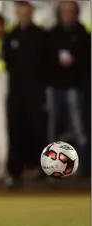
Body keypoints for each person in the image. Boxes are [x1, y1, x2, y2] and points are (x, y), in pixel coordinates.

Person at [2, 1, 49, 188]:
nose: (23, 16)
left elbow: (47, 64)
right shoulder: (11, 36)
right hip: (16, 93)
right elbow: (8, 62)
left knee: (39, 131)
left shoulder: (41, 36)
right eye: (20, 13)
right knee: (15, 133)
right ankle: (15, 173)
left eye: (26, 13)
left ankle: (43, 171)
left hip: (36, 93)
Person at [47, 1, 90, 177]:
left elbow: (87, 61)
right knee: (54, 129)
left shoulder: (82, 34)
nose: (67, 14)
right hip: (56, 87)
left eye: (70, 11)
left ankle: (85, 168)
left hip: (76, 88)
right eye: (64, 11)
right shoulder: (52, 34)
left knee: (80, 129)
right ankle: (54, 169)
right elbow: (45, 59)